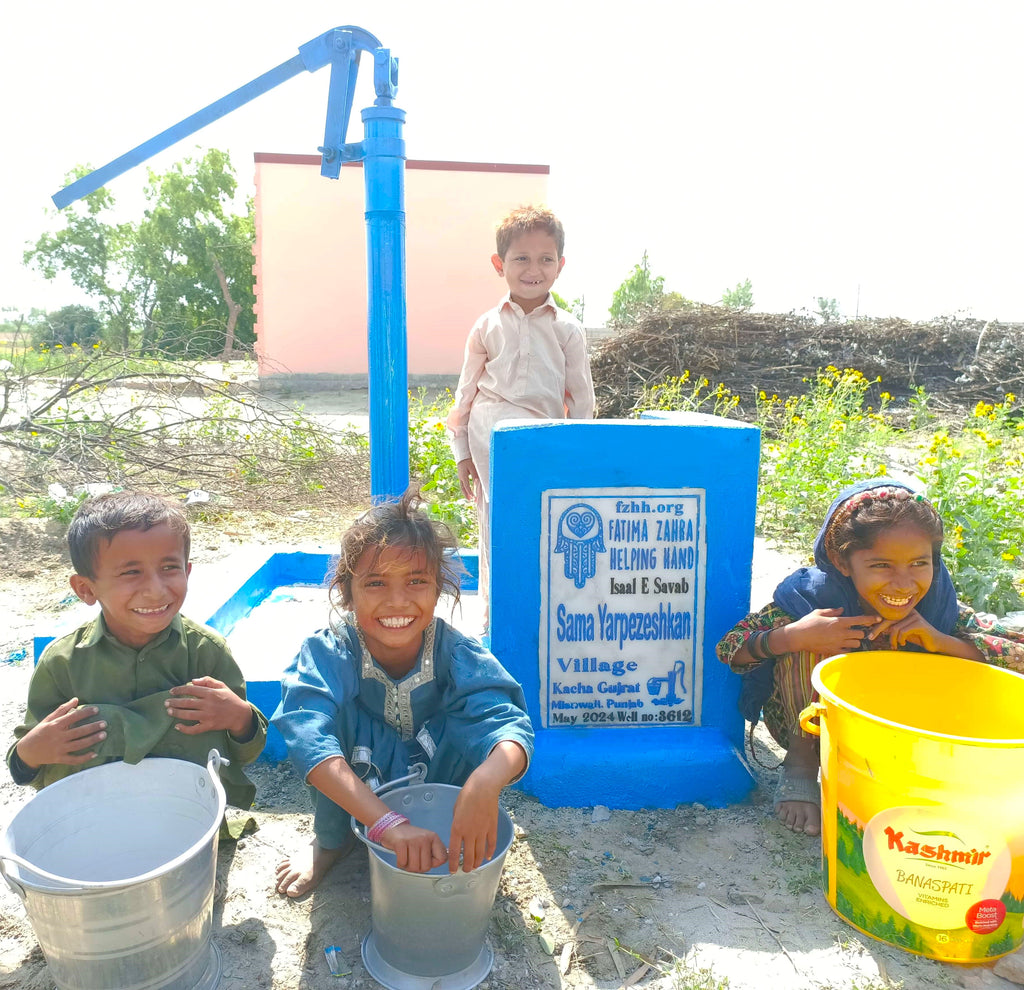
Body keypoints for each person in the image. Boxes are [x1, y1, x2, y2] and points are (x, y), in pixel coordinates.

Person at [717, 478, 1024, 837]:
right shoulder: (813, 599)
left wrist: (942, 642)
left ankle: (912, 778)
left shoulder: (940, 609)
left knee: (973, 660)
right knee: (817, 640)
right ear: (841, 561)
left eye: (918, 563)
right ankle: (801, 764)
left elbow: (1016, 653)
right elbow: (730, 648)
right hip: (818, 732)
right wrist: (792, 636)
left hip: (908, 739)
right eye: (882, 565)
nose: (903, 584)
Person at [272, 489, 534, 897]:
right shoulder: (329, 651)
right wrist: (388, 824)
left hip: (439, 785)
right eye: (376, 583)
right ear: (347, 592)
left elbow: (506, 720)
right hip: (362, 778)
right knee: (322, 721)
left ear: (437, 590)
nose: (398, 601)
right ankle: (330, 844)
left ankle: (448, 833)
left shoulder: (456, 652)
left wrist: (485, 783)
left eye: (416, 581)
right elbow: (304, 733)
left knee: (472, 712)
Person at [6, 491, 266, 808]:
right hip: (91, 821)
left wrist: (241, 719)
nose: (156, 590)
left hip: (187, 814)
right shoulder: (62, 663)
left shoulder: (206, 652)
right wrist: (30, 752)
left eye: (170, 567)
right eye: (131, 572)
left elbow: (244, 751)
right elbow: (26, 763)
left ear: (188, 571)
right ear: (86, 589)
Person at [447, 205, 595, 625]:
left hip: (544, 442)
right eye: (521, 258)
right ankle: (494, 620)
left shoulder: (567, 328)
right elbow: (466, 392)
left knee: (543, 526)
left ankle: (542, 615)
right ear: (500, 264)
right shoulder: (485, 326)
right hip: (490, 440)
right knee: (496, 524)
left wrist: (576, 457)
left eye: (546, 259)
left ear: (560, 266)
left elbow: (581, 400)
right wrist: (461, 452)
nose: (534, 269)